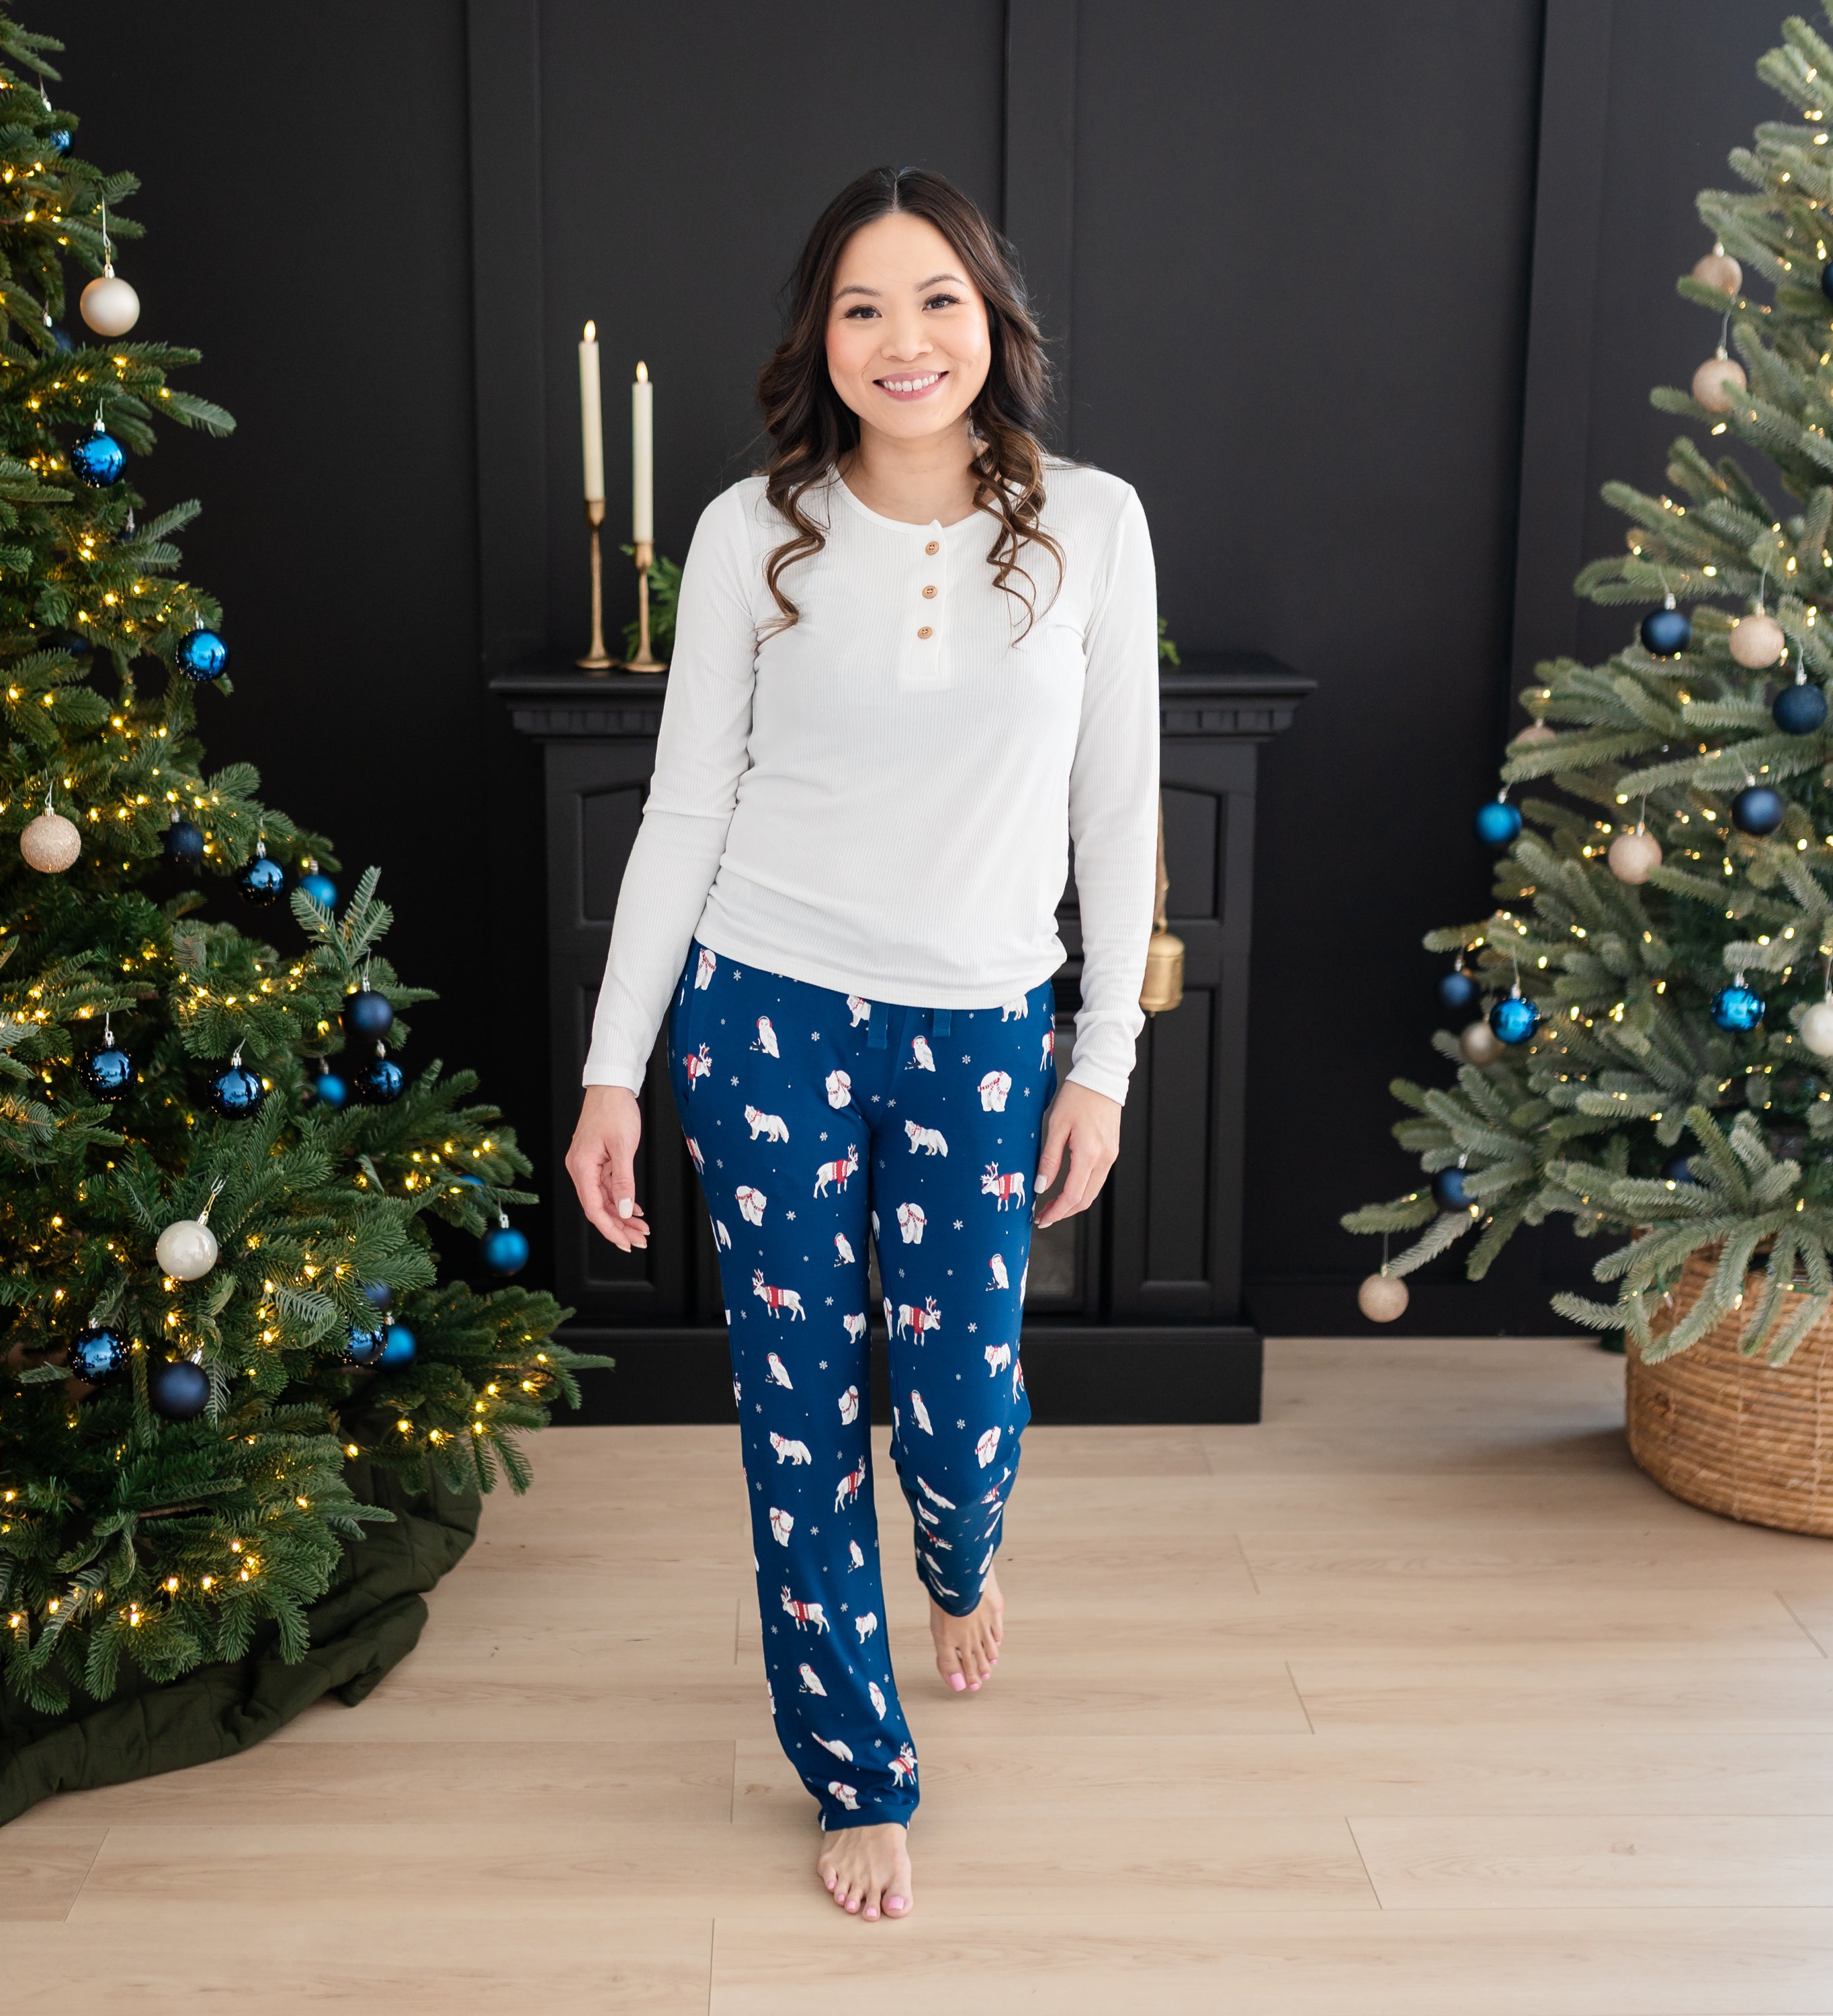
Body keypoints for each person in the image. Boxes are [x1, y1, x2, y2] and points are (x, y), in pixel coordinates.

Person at [564, 165, 1159, 1924]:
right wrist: (615, 1065)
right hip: (765, 1010)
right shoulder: (757, 532)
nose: (907, 340)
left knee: (960, 1413)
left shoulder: (1096, 528)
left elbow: (1117, 815)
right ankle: (854, 1760)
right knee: (798, 1418)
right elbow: (682, 815)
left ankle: (961, 1561)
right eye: (864, 308)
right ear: (821, 342)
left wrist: (1104, 1057)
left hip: (983, 1022)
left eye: (939, 301)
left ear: (994, 321)